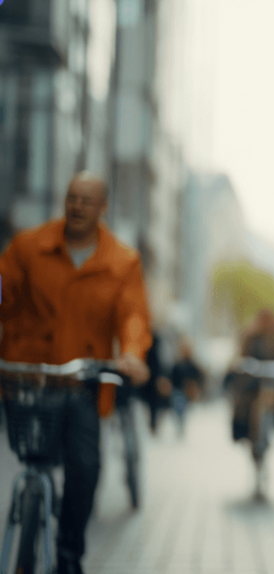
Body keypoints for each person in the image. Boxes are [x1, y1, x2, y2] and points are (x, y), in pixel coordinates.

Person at [0, 172, 151, 574]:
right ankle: (30, 512)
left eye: (87, 200)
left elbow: (134, 315)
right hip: (29, 381)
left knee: (85, 471)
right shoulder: (28, 248)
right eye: (72, 197)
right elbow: (4, 288)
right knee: (33, 463)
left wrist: (133, 353)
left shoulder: (122, 261)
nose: (77, 206)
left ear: (103, 208)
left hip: (82, 385)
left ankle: (69, 557)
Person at [232, 309, 274, 443]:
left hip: (272, 377)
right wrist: (246, 364)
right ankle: (243, 431)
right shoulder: (250, 336)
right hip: (253, 378)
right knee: (243, 400)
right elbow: (242, 355)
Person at [169, 338, 204, 436]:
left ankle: (181, 427)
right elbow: (172, 376)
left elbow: (199, 377)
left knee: (183, 410)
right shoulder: (177, 364)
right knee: (177, 410)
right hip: (177, 390)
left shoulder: (192, 364)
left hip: (185, 391)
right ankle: (179, 426)